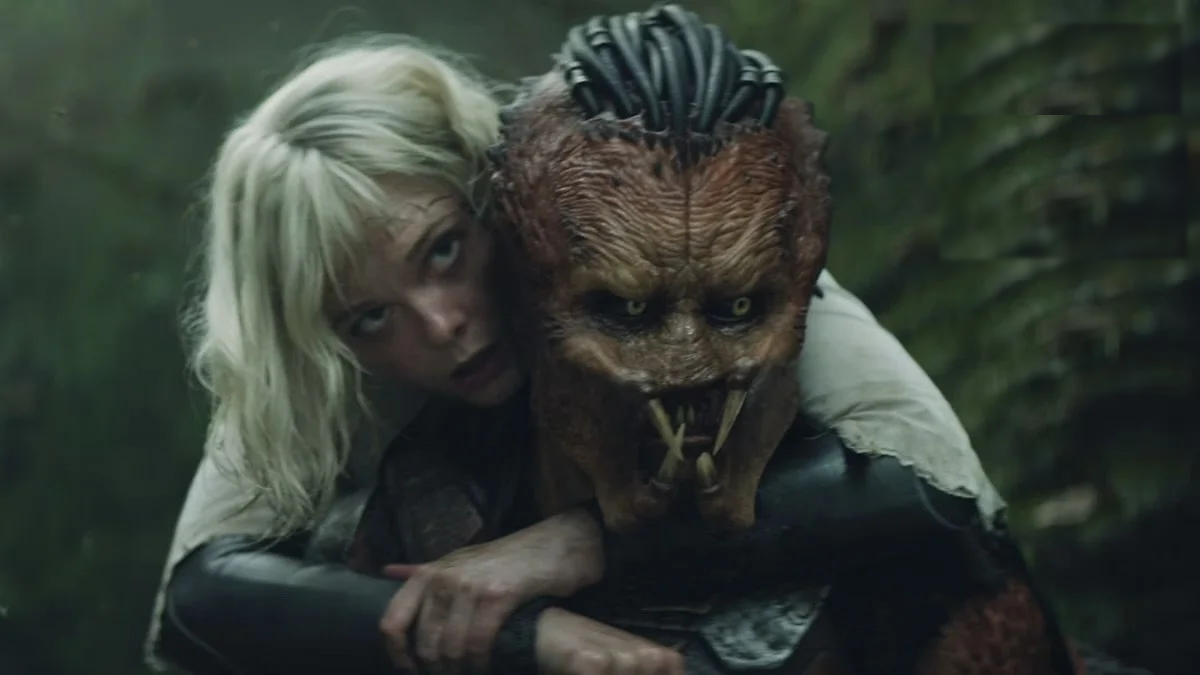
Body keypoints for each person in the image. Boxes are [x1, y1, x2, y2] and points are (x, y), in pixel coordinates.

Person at [146, 24, 1008, 675]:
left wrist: (581, 542)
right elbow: (202, 593)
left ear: (497, 192)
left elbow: (935, 483)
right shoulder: (309, 358)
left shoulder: (644, 228)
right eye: (371, 317)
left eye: (443, 249)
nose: (440, 324)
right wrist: (526, 634)